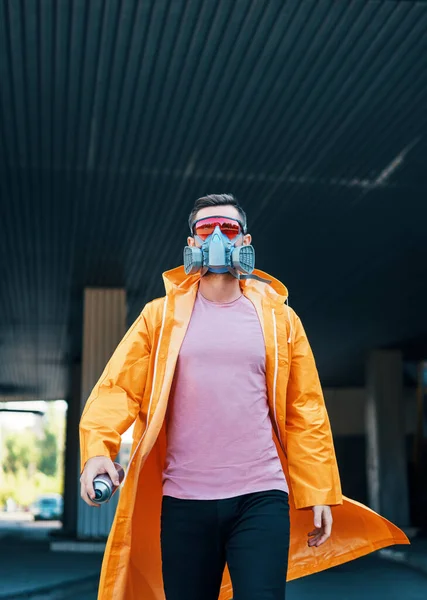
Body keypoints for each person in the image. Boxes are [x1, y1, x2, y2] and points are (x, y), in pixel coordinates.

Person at [79, 194, 409, 600]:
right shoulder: (159, 317)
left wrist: (320, 491)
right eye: (206, 229)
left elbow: (304, 407)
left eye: (229, 229)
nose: (218, 236)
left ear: (246, 239)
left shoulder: (279, 318)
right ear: (191, 244)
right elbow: (118, 388)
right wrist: (98, 449)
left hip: (261, 495)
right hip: (184, 499)